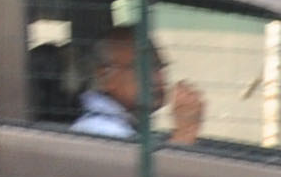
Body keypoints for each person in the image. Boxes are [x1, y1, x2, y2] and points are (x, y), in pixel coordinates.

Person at [70, 28, 203, 144]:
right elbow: (147, 173)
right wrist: (185, 132)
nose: (158, 78)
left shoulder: (124, 126)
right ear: (105, 76)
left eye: (159, 67)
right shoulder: (100, 131)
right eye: (144, 68)